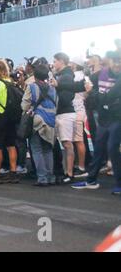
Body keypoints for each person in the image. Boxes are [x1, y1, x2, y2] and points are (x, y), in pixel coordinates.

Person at [72, 52, 121, 194]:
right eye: (115, 61)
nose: (117, 64)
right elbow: (80, 86)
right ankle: (91, 180)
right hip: (104, 119)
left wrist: (92, 91)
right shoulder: (101, 74)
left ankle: (119, 183)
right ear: (109, 61)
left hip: (118, 118)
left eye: (120, 61)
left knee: (113, 149)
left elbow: (107, 97)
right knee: (99, 149)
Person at [51, 53, 88, 183]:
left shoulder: (65, 76)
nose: (54, 64)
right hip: (63, 113)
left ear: (61, 61)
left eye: (55, 61)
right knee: (66, 144)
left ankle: (69, 173)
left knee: (67, 144)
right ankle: (68, 172)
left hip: (65, 113)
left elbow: (67, 96)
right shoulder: (63, 76)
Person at [21, 64, 57, 186]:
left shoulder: (31, 87)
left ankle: (42, 178)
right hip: (51, 121)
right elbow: (56, 104)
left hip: (38, 121)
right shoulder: (53, 89)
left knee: (37, 150)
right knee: (47, 150)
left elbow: (24, 105)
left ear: (34, 75)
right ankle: (50, 177)